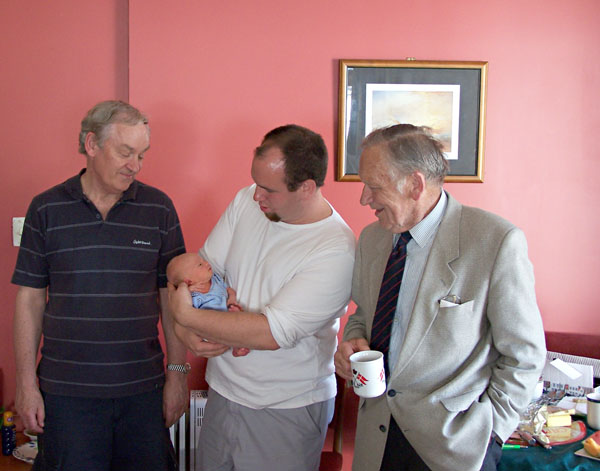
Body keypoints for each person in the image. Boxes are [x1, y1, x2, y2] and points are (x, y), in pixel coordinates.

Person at [334, 124, 546, 471]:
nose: (364, 199)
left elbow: (525, 354)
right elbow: (363, 314)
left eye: (374, 186)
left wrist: (492, 431)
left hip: (455, 446)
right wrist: (352, 341)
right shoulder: (372, 239)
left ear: (415, 185)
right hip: (376, 439)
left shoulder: (495, 241)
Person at [12, 100, 188, 471]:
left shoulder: (158, 209)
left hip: (143, 391)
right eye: (125, 152)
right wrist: (26, 384)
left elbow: (172, 298)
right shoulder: (46, 209)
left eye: (141, 154)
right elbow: (30, 300)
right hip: (66, 394)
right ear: (92, 144)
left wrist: (177, 375)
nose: (135, 165)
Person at [168, 124, 356, 471]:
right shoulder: (246, 201)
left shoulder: (336, 249)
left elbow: (270, 333)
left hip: (286, 407)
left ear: (306, 188)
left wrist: (187, 318)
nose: (256, 196)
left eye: (269, 189)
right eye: (256, 183)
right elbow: (198, 274)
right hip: (223, 392)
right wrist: (184, 331)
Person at [166, 252, 249, 356]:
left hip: (227, 314)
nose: (206, 263)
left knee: (239, 319)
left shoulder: (216, 279)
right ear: (189, 281)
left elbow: (229, 290)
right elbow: (184, 308)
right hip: (210, 325)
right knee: (211, 334)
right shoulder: (193, 295)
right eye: (200, 265)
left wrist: (232, 299)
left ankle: (237, 344)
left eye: (203, 260)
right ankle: (235, 346)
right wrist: (188, 290)